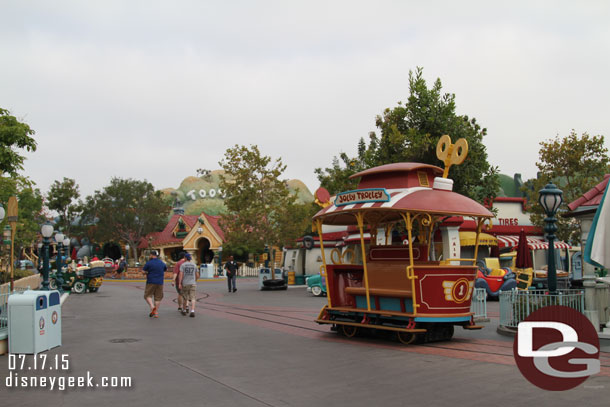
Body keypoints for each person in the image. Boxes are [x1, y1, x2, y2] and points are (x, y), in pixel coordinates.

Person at [142, 250, 167, 318]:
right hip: (160, 282)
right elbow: (165, 269)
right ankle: (156, 313)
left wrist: (147, 272)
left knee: (147, 295)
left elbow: (143, 271)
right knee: (158, 298)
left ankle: (152, 306)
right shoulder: (162, 263)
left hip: (151, 281)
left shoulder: (149, 263)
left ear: (152, 255)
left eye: (150, 255)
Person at [178, 253, 199, 317]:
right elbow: (197, 275)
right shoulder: (194, 265)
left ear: (185, 258)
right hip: (193, 283)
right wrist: (195, 280)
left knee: (185, 298)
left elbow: (181, 274)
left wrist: (179, 283)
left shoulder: (183, 265)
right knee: (193, 298)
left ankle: (184, 310)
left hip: (185, 283)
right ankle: (192, 311)